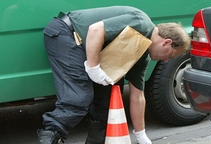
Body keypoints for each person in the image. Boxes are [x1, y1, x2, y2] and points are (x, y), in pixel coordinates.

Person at [37, 6, 190, 144]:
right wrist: (93, 68)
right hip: (65, 33)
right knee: (79, 98)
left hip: (82, 44)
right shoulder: (141, 23)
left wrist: (141, 135)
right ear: (167, 42)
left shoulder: (143, 55)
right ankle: (49, 136)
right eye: (169, 55)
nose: (165, 60)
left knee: (107, 102)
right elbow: (95, 30)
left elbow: (137, 96)